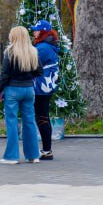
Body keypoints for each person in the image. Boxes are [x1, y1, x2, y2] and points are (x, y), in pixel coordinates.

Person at [0, 25, 41, 165]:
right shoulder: (33, 51)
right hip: (28, 89)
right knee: (29, 121)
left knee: (12, 122)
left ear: (13, 36)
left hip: (13, 89)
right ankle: (33, 155)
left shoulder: (10, 52)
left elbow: (4, 74)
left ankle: (11, 156)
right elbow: (39, 71)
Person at [32, 19, 61, 160]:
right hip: (46, 86)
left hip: (41, 87)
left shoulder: (43, 48)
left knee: (42, 117)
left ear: (42, 32)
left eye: (36, 30)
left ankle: (47, 150)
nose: (34, 32)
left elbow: (31, 63)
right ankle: (47, 149)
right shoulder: (48, 45)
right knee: (43, 116)